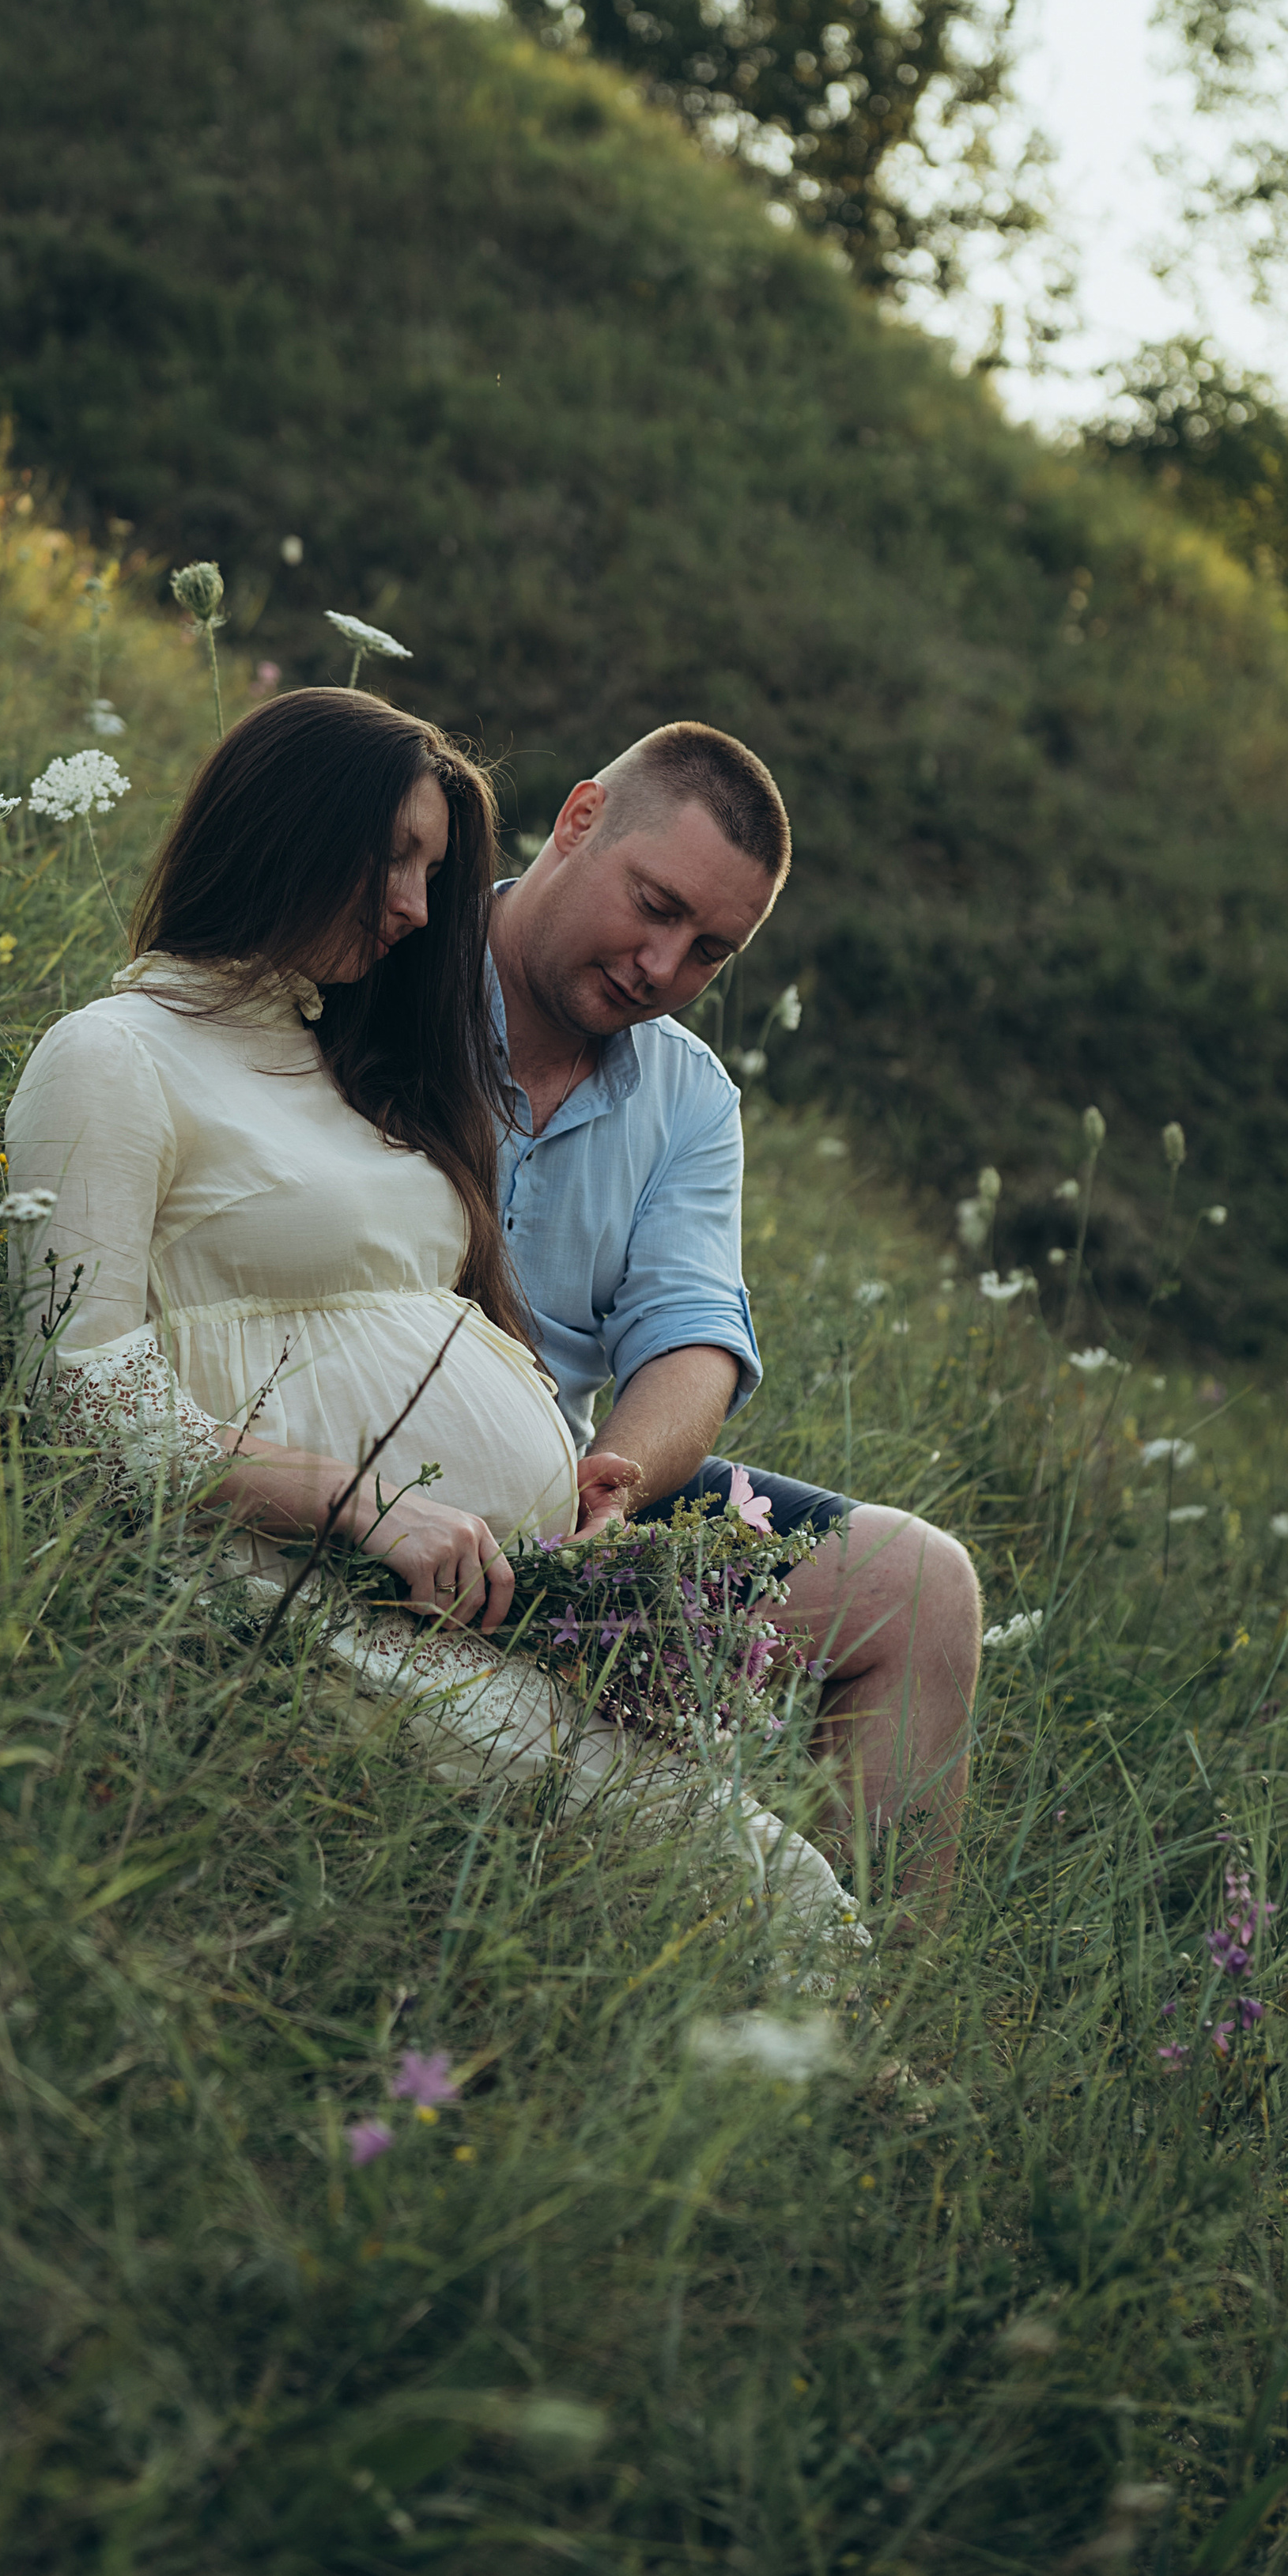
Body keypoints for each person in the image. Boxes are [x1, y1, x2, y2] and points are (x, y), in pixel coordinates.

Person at [485, 723, 982, 1885]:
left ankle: (872, 2027)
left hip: (567, 1500)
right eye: (653, 905)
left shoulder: (688, 1095)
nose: (663, 967)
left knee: (923, 1587)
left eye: (709, 947)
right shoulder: (398, 952)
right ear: (578, 819)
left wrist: (615, 1473)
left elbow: (692, 1340)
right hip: (386, 1433)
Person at [2, 688, 576, 1611]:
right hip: (283, 1595)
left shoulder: (353, 1070)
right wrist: (358, 1505)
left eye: (431, 873)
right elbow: (78, 1397)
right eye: (394, 858)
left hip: (467, 1605)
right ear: (286, 827)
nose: (416, 908)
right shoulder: (113, 1053)